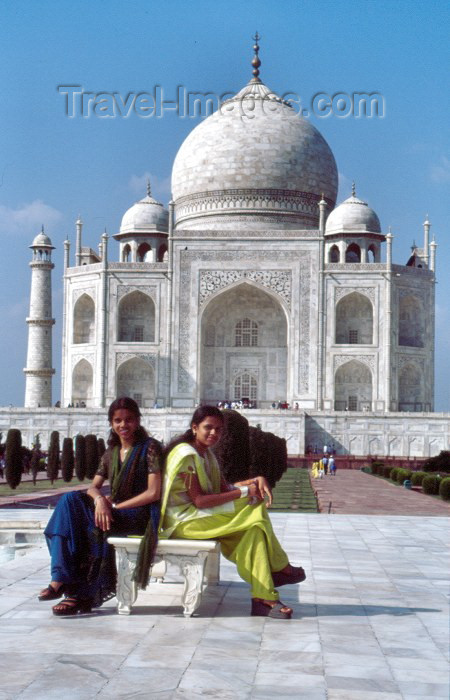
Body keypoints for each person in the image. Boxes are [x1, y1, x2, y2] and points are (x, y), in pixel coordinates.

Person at [159, 405, 306, 620]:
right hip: (182, 523)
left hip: (198, 518)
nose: (214, 434)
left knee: (253, 532)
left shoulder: (205, 454)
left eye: (219, 429)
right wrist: (245, 491)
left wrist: (253, 480)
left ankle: (263, 599)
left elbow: (221, 489)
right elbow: (200, 501)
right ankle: (280, 566)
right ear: (194, 427)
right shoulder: (186, 455)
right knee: (253, 506)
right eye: (208, 428)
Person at [38, 397, 161, 616]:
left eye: (129, 420)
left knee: (89, 526)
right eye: (118, 420)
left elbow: (154, 493)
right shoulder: (111, 452)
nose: (123, 425)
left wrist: (116, 506)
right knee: (69, 501)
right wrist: (100, 500)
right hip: (114, 511)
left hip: (139, 515)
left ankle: (78, 592)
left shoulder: (149, 448)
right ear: (111, 423)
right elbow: (93, 487)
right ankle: (60, 578)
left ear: (138, 420)